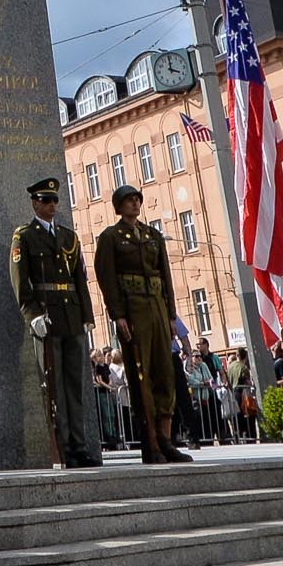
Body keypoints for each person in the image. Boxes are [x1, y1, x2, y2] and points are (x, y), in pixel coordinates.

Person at [11, 177, 102, 468]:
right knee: (55, 387)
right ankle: (62, 448)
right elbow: (19, 281)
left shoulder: (68, 237)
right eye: (46, 200)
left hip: (71, 317)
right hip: (46, 317)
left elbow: (80, 280)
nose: (52, 205)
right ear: (35, 203)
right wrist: (32, 314)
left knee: (74, 386)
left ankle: (79, 445)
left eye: (55, 201)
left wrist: (87, 317)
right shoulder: (24, 236)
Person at [95, 183, 187, 463]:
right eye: (129, 201)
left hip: (157, 306)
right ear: (118, 207)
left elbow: (166, 276)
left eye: (137, 200)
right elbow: (107, 279)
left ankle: (167, 438)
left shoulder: (152, 235)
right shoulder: (111, 237)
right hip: (133, 309)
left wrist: (171, 315)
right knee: (141, 374)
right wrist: (117, 314)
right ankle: (151, 443)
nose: (135, 204)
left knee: (164, 372)